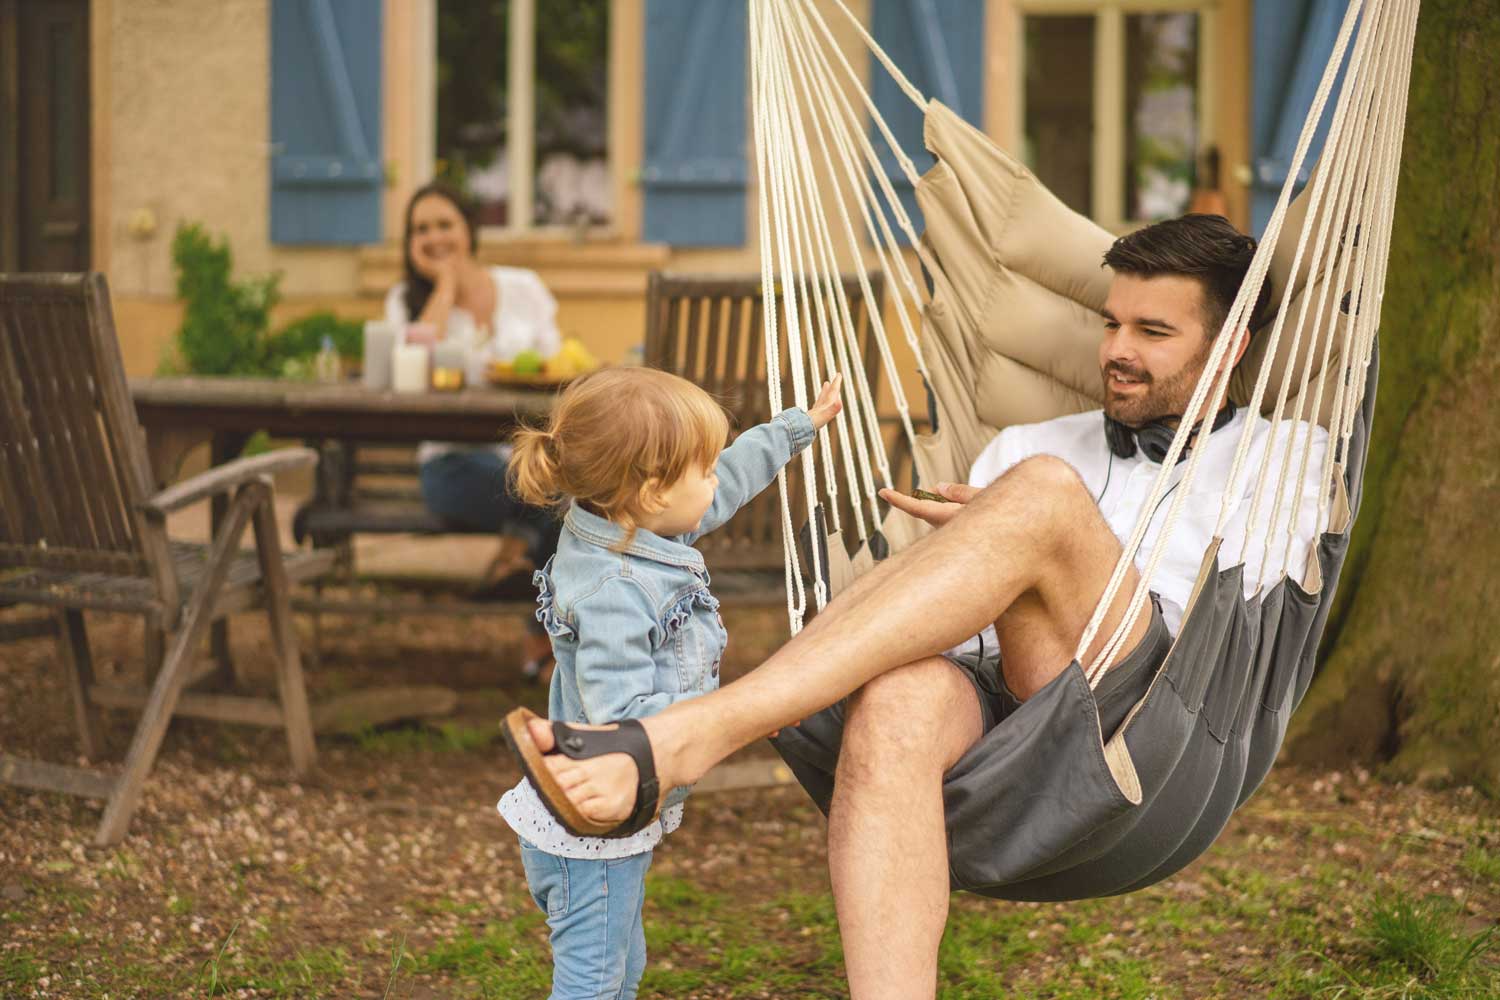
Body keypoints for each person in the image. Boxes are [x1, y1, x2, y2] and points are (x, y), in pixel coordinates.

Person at [503, 215, 1332, 999]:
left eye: (1152, 332)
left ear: (1230, 345)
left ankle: (693, 732)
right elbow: (961, 629)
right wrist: (988, 551)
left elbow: (1245, 634)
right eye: (1112, 324)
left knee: (1044, 495)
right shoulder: (1030, 444)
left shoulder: (1289, 456)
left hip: (1156, 710)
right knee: (899, 699)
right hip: (1011, 695)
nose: (1117, 349)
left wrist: (1041, 536)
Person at [497, 366, 844, 1000]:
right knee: (594, 984)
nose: (715, 479)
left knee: (620, 969)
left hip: (606, 826)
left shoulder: (626, 522)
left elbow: (728, 481)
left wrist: (798, 427)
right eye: (702, 469)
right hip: (590, 831)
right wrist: (742, 710)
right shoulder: (613, 590)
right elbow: (625, 716)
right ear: (655, 491)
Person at [387, 181, 562, 678]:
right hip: (452, 466)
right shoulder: (406, 300)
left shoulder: (523, 287)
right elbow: (413, 373)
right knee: (554, 506)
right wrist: (444, 288)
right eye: (421, 229)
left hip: (523, 456)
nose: (434, 237)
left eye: (445, 224)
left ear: (469, 229)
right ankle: (541, 633)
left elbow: (554, 365)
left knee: (557, 501)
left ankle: (516, 559)